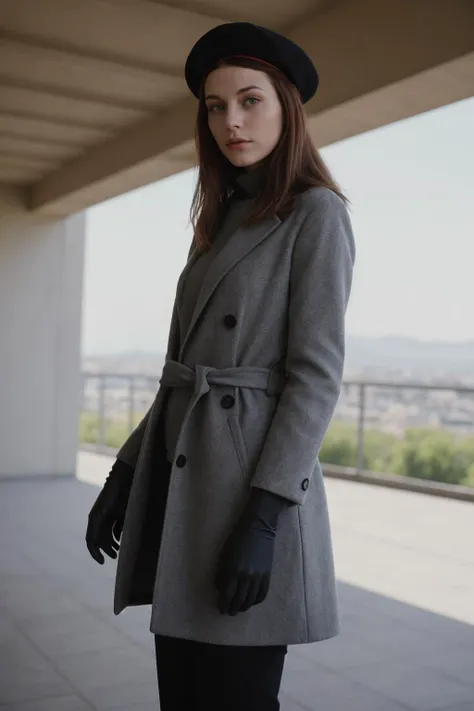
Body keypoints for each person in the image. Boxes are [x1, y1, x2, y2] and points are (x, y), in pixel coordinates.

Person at [86, 21, 356, 711]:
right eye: (214, 106)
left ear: (286, 106)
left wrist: (265, 515)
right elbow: (184, 369)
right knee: (182, 693)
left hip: (248, 492)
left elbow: (315, 376)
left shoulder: (316, 214)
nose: (230, 120)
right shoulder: (219, 218)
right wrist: (125, 469)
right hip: (186, 484)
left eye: (250, 100)